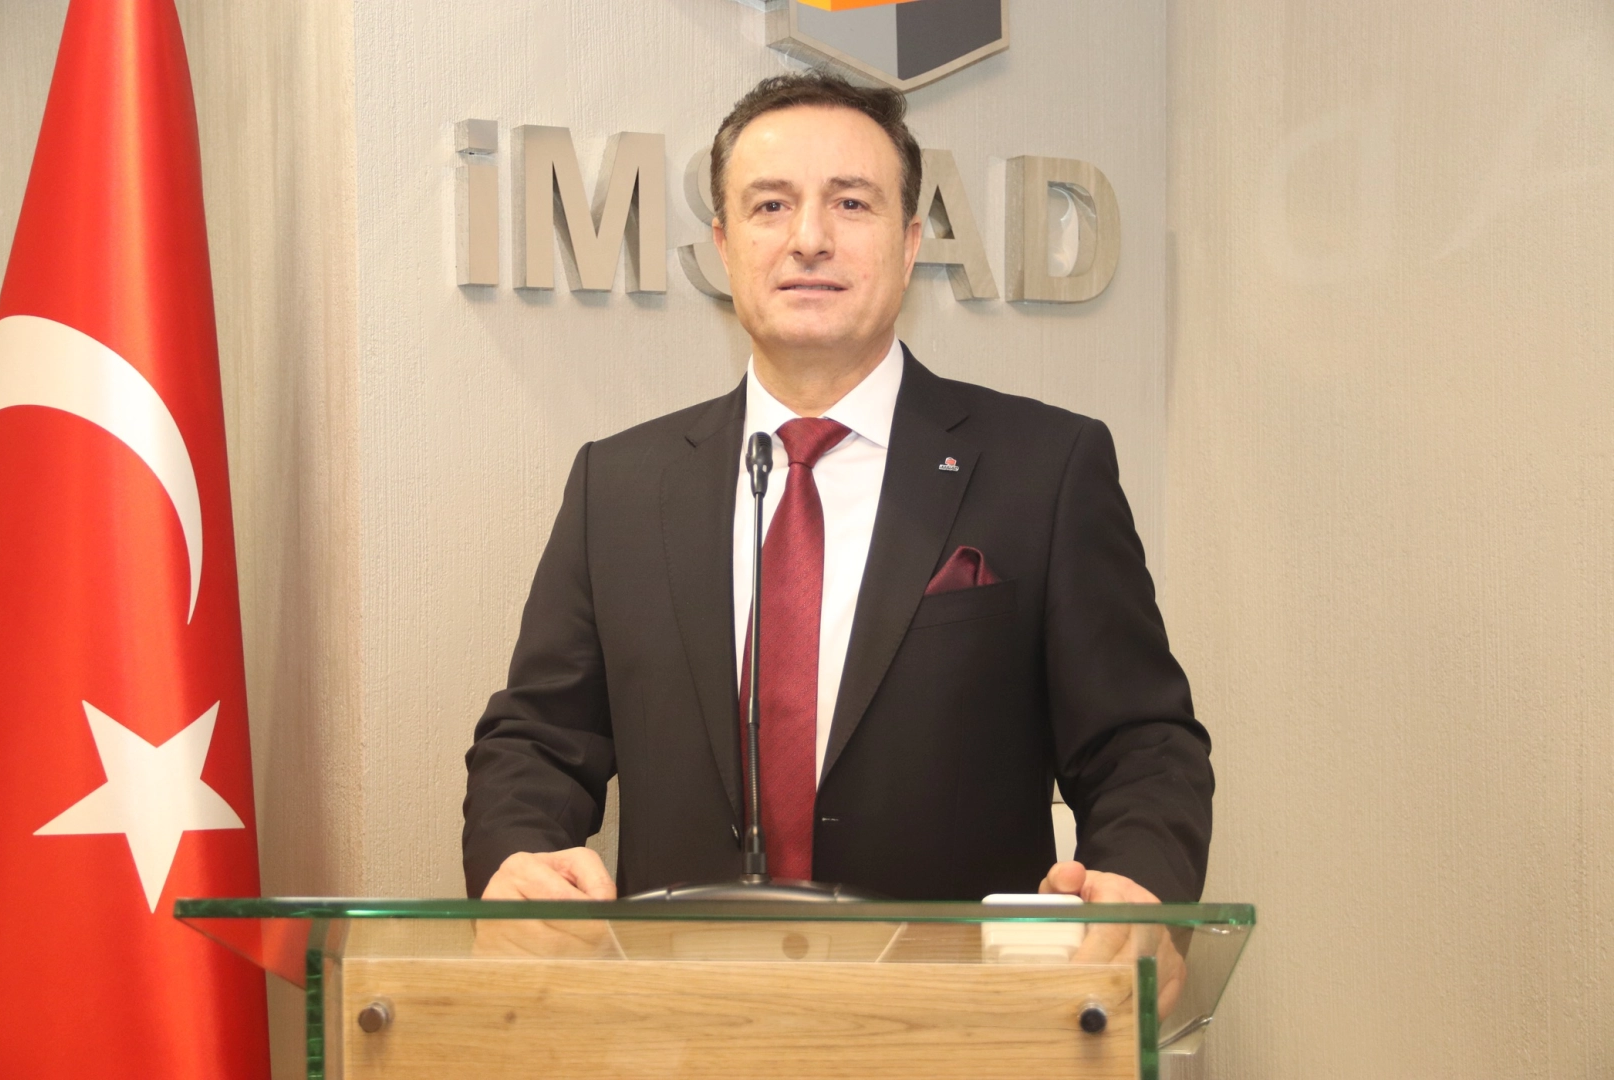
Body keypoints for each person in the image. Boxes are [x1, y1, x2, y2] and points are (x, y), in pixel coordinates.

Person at [462, 71, 1212, 911]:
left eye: (851, 203)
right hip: (684, 985)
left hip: (952, 988)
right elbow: (537, 740)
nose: (809, 238)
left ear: (910, 242)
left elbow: (1140, 745)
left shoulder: (1046, 468)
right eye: (771, 205)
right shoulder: (620, 486)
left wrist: (1139, 884)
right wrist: (517, 854)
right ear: (724, 246)